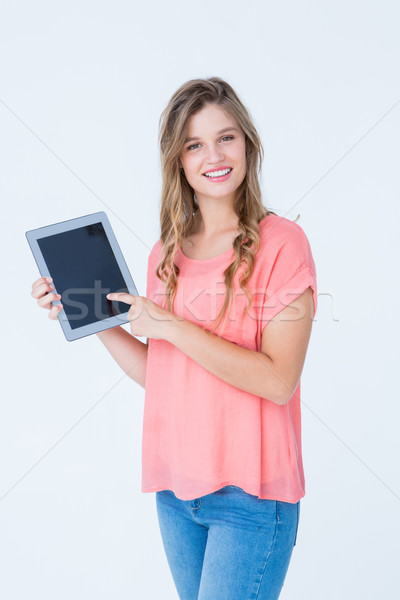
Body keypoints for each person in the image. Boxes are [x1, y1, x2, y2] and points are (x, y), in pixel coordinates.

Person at [31, 77, 317, 600]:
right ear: (178, 160)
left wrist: (171, 326)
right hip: (176, 492)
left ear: (248, 145)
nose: (214, 155)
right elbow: (160, 374)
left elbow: (278, 381)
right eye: (195, 144)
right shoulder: (167, 252)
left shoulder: (283, 244)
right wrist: (89, 316)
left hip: (250, 497)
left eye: (226, 138)